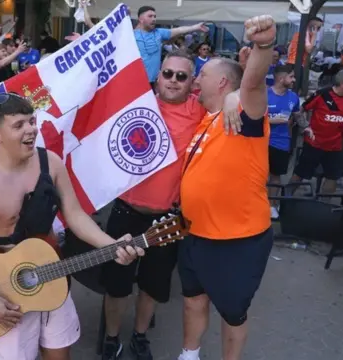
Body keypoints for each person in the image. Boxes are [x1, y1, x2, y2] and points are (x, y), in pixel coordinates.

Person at [0, 93, 144, 360]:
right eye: (19, 125)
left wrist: (112, 245)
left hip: (52, 276)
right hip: (5, 295)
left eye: (31, 121)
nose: (31, 129)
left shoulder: (50, 163)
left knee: (59, 355)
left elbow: (76, 216)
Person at [100, 50, 240, 360]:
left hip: (167, 219)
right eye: (168, 73)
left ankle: (139, 335)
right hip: (125, 211)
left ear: (193, 83)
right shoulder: (136, 103)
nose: (173, 81)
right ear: (158, 74)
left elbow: (237, 100)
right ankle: (111, 338)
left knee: (153, 286)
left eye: (181, 76)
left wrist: (233, 98)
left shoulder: (200, 110)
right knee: (117, 285)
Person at [178, 15, 276, 360]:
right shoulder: (206, 118)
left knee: (232, 314)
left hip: (236, 241)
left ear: (222, 82)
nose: (194, 78)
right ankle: (189, 355)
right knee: (192, 299)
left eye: (201, 74)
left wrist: (262, 46)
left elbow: (252, 85)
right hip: (194, 234)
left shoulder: (242, 119)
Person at [288, 69, 343, 194]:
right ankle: (284, 202)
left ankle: (325, 207)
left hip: (336, 147)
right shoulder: (322, 94)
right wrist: (305, 126)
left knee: (332, 177)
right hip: (314, 144)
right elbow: (301, 109)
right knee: (300, 174)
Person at [135, 6, 208, 86]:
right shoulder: (131, 35)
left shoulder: (158, 33)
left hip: (154, 82)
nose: (154, 19)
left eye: (155, 16)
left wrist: (195, 27)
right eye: (150, 16)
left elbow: (179, 30)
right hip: (136, 80)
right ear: (140, 19)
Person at [266, 64, 301, 219]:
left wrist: (307, 127)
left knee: (276, 175)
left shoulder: (293, 97)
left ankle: (272, 205)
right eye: (291, 77)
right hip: (261, 142)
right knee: (257, 175)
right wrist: (270, 121)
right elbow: (251, 117)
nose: (294, 80)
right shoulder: (264, 94)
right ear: (281, 78)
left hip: (282, 142)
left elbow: (298, 115)